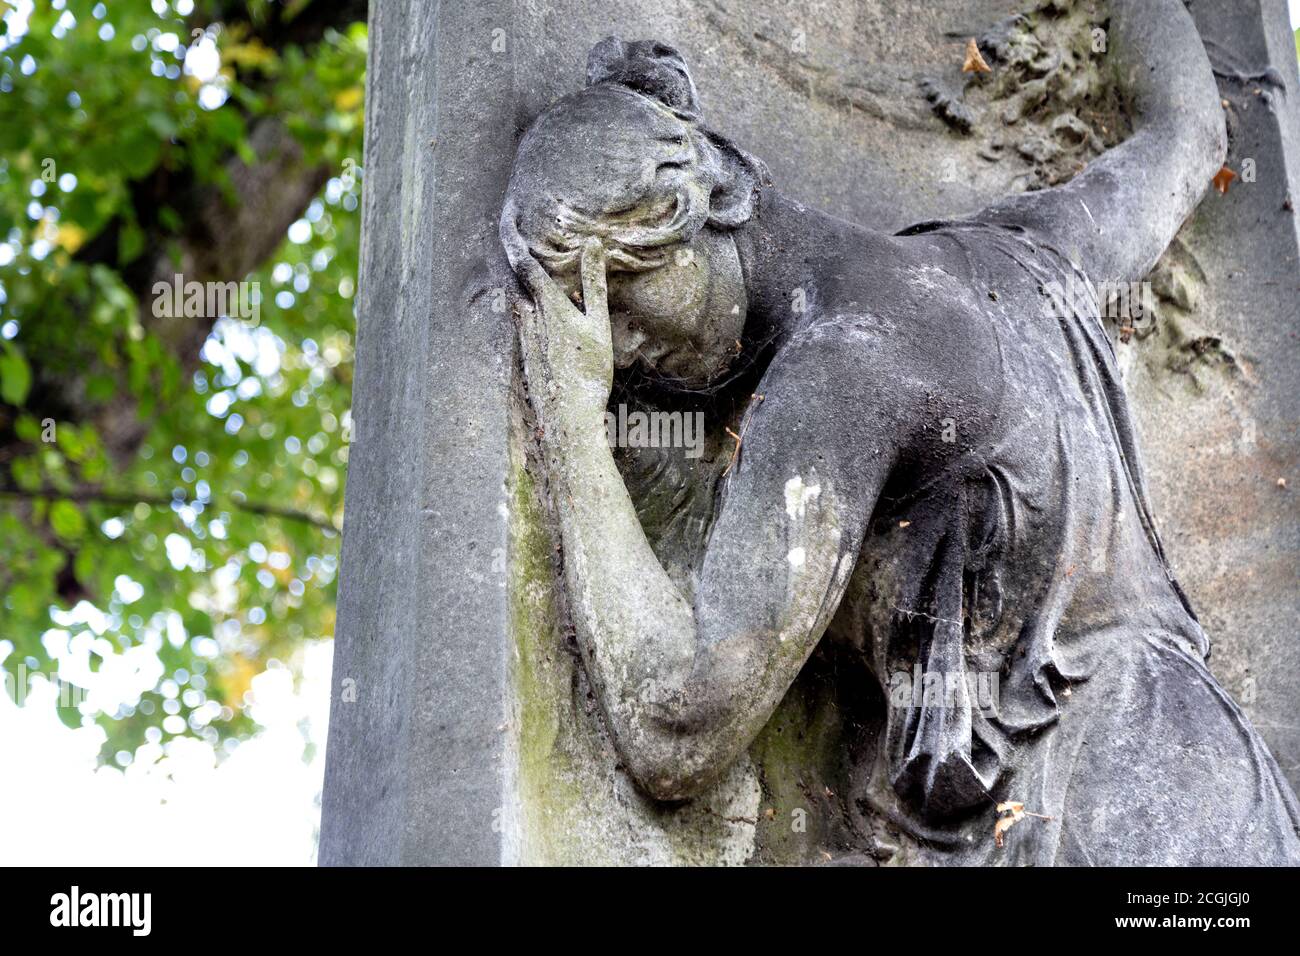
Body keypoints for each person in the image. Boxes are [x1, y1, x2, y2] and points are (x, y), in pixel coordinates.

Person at [499, 1, 1300, 864]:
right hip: (1206, 775)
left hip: (1104, 814)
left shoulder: (841, 368)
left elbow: (675, 728)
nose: (614, 346)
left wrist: (576, 422)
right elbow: (1186, 137)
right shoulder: (1024, 250)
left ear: (710, 202)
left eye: (618, 290)